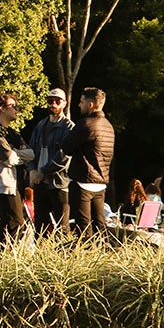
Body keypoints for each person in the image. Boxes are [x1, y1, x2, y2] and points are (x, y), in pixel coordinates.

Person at [60, 87, 115, 236]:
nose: (79, 105)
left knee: (84, 228)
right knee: (100, 226)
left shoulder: (86, 123)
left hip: (83, 181)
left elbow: (67, 148)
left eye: (81, 102)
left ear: (90, 105)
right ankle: (102, 249)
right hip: (101, 181)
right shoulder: (109, 126)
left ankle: (87, 249)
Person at [0, 93, 35, 246]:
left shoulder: (13, 133)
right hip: (2, 183)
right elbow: (9, 158)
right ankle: (4, 254)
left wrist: (15, 154)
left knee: (11, 222)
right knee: (15, 222)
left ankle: (2, 255)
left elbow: (31, 154)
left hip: (15, 182)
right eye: (13, 106)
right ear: (2, 108)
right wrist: (15, 156)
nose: (16, 109)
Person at [27, 88, 74, 237]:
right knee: (40, 227)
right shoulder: (40, 125)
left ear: (64, 103)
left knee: (62, 227)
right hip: (40, 183)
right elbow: (31, 151)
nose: (53, 104)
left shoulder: (68, 127)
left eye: (57, 101)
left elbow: (63, 156)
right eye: (50, 101)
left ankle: (64, 251)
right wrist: (32, 171)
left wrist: (42, 172)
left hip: (59, 183)